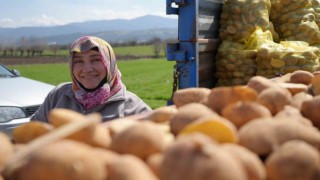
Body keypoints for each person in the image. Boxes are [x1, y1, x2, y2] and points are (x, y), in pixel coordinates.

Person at [31, 36, 152, 123]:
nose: (87, 69)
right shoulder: (58, 95)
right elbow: (32, 133)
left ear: (110, 63)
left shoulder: (133, 107)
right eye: (79, 61)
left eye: (96, 59)